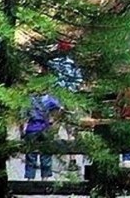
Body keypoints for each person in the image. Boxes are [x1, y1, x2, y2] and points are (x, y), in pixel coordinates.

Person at [47, 40, 83, 171]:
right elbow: (79, 82)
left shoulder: (52, 64)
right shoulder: (73, 65)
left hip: (55, 98)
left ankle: (51, 157)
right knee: (71, 130)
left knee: (53, 127)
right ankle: (72, 160)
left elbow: (47, 82)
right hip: (70, 98)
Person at [23, 93, 63, 180]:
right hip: (45, 128)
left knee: (30, 154)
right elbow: (60, 108)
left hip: (32, 128)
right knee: (46, 154)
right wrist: (54, 120)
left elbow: (23, 116)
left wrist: (22, 130)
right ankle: (45, 178)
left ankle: (30, 178)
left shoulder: (29, 99)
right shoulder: (49, 98)